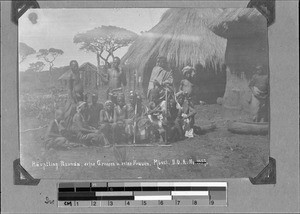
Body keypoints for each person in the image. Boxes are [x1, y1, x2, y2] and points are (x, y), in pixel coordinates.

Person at [63, 60, 84, 130]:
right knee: (70, 112)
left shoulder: (79, 73)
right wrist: (72, 100)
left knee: (81, 111)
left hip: (80, 96)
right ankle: (68, 129)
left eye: (77, 66)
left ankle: (79, 127)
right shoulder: (70, 75)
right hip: (73, 97)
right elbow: (69, 89)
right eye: (74, 66)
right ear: (71, 67)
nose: (76, 67)